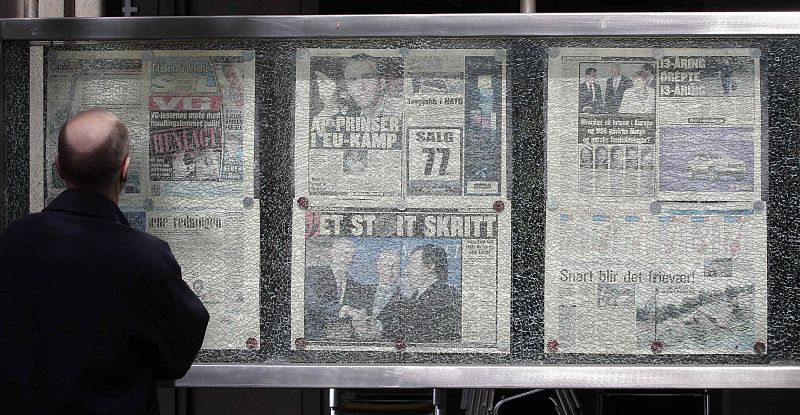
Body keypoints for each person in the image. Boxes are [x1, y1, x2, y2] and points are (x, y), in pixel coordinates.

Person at [0, 109, 209, 414]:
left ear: (58, 167)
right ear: (125, 168)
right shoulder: (146, 257)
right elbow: (176, 357)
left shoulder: (14, 240)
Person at [378, 244, 461, 343]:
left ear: (430, 266)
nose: (406, 270)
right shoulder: (414, 295)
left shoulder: (445, 297)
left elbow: (416, 335)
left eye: (412, 264)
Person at [304, 238, 375, 339]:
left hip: (344, 338)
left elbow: (361, 307)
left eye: (352, 255)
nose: (349, 259)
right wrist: (343, 310)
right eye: (345, 254)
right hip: (314, 335)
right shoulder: (314, 273)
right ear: (332, 253)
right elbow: (310, 302)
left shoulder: (354, 285)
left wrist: (362, 314)